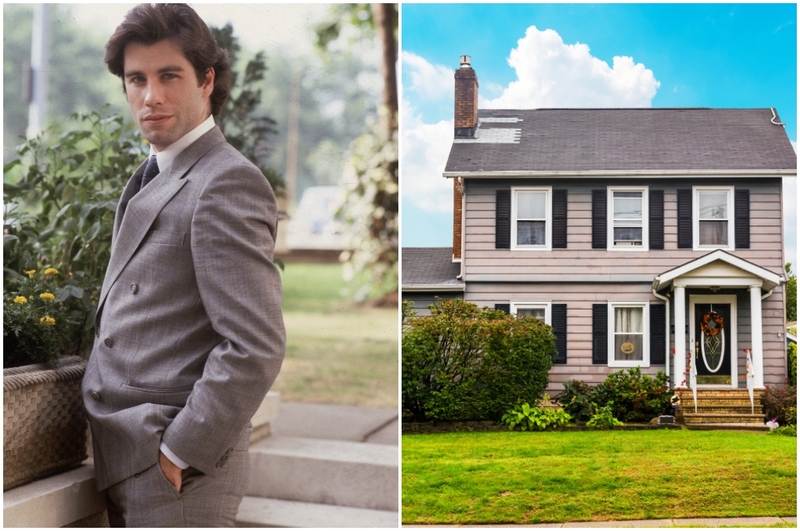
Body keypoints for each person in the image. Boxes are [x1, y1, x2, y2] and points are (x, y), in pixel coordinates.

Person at [81, 4, 285, 527]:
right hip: (130, 455)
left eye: (169, 76)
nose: (151, 96)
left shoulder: (225, 182)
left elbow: (254, 344)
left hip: (176, 472)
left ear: (206, 80)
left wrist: (179, 452)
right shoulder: (156, 171)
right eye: (137, 79)